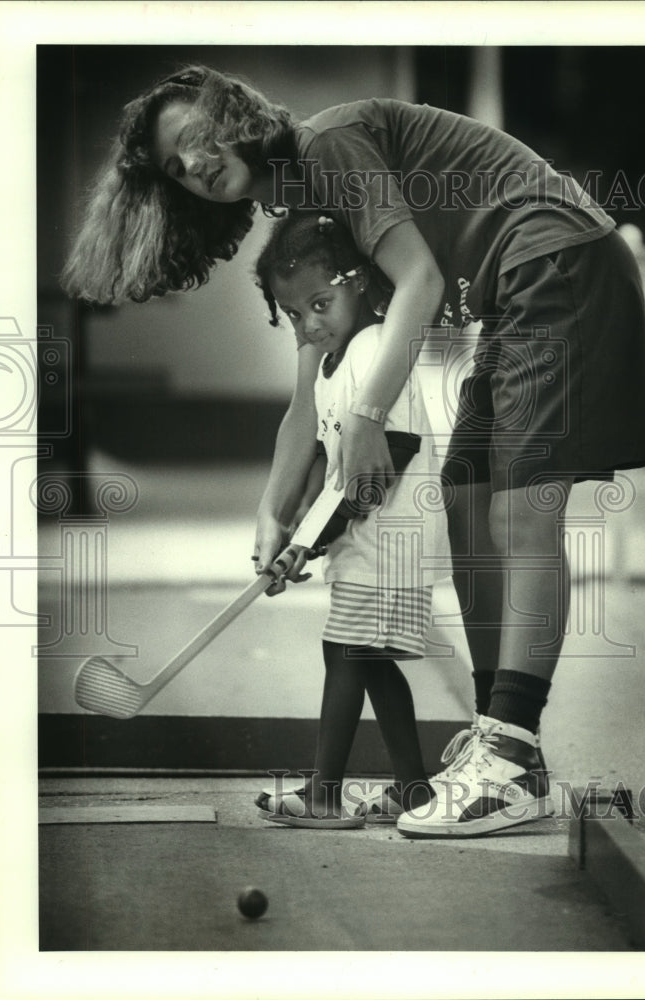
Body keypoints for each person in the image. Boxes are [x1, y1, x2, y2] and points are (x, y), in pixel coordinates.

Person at [63, 64, 645, 838]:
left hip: (559, 260)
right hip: (518, 291)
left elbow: (419, 281)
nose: (196, 164)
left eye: (197, 138)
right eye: (177, 168)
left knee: (519, 514)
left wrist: (371, 414)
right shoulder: (307, 212)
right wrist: (277, 517)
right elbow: (304, 399)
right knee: (467, 500)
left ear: (233, 114)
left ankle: (510, 754)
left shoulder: (331, 145)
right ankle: (502, 739)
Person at [247, 211, 449, 827]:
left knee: (346, 653)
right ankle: (414, 788)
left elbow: (387, 460)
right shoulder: (335, 364)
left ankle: (324, 793)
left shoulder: (373, 350)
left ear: (358, 280)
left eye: (320, 302)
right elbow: (329, 462)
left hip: (391, 539)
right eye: (296, 315)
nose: (310, 324)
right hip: (366, 538)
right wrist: (299, 526)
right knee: (367, 660)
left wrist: (310, 541)